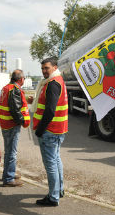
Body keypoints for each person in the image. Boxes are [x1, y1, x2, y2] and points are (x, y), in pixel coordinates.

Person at [32, 57, 68, 207]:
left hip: (50, 130)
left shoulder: (52, 84)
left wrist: (40, 130)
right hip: (58, 129)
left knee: (51, 164)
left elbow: (50, 110)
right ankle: (59, 190)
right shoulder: (58, 80)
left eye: (46, 68)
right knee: (56, 160)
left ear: (54, 67)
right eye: (42, 68)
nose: (44, 71)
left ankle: (53, 197)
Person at [0, 69, 30, 187]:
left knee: (8, 151)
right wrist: (22, 122)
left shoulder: (6, 87)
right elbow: (15, 110)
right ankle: (9, 178)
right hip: (11, 124)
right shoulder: (14, 90)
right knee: (12, 152)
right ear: (21, 79)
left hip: (5, 123)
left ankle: (7, 173)